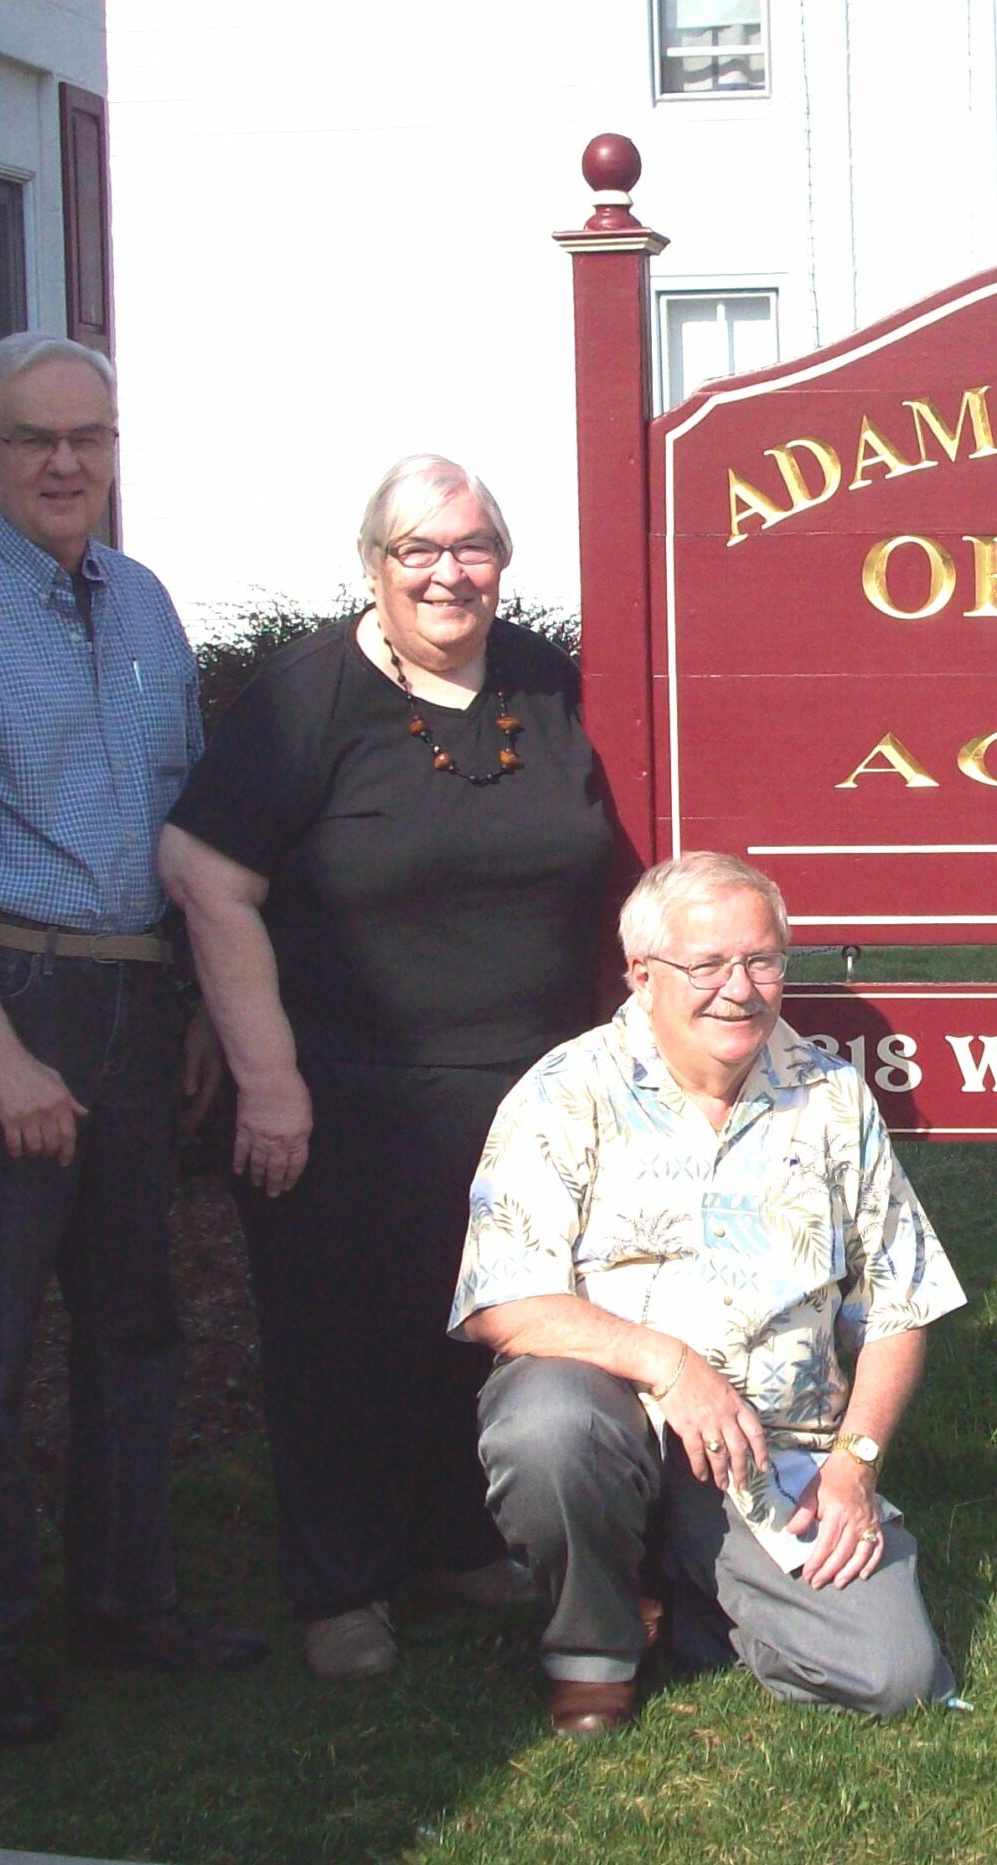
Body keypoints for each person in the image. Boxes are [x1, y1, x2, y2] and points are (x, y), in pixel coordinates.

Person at [0, 331, 265, 1744]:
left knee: (134, 1323)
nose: (64, 462)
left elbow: (180, 825)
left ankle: (124, 1601)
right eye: (35, 438)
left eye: (87, 437)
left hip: (136, 1003)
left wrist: (202, 996)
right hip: (5, 1005)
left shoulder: (145, 606)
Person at [159, 456, 611, 1679]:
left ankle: (459, 1544)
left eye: (471, 548)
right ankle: (342, 1587)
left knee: (486, 1330)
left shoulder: (544, 682)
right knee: (342, 1341)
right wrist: (268, 1079)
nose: (447, 573)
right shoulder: (308, 697)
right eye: (419, 549)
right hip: (345, 1090)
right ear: (374, 563)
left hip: (531, 1090)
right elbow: (205, 872)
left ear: (502, 564)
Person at [452, 852, 963, 1739]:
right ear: (642, 977)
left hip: (774, 1458)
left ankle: (686, 1593)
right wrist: (671, 1366)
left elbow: (900, 1302)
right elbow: (501, 1300)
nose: (740, 989)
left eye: (762, 961)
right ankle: (595, 1650)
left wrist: (856, 1464)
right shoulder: (565, 1093)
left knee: (895, 1676)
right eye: (707, 966)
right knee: (548, 1426)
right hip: (616, 1422)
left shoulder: (832, 1097)